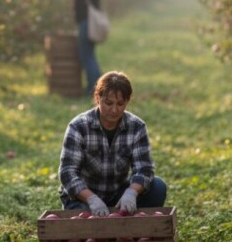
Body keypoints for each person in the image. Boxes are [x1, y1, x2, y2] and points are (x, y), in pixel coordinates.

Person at [58, 71, 167, 215]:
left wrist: (132, 192)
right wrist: (91, 199)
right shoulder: (78, 126)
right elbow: (67, 172)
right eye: (108, 103)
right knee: (83, 217)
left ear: (127, 101)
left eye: (120, 104)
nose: (114, 110)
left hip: (118, 195)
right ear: (98, 98)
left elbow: (144, 169)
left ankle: (128, 219)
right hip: (84, 196)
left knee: (158, 187)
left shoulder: (136, 127)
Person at [48, 0, 103, 94]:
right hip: (87, 21)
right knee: (88, 54)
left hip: (86, 22)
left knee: (86, 56)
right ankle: (97, 87)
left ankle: (95, 89)